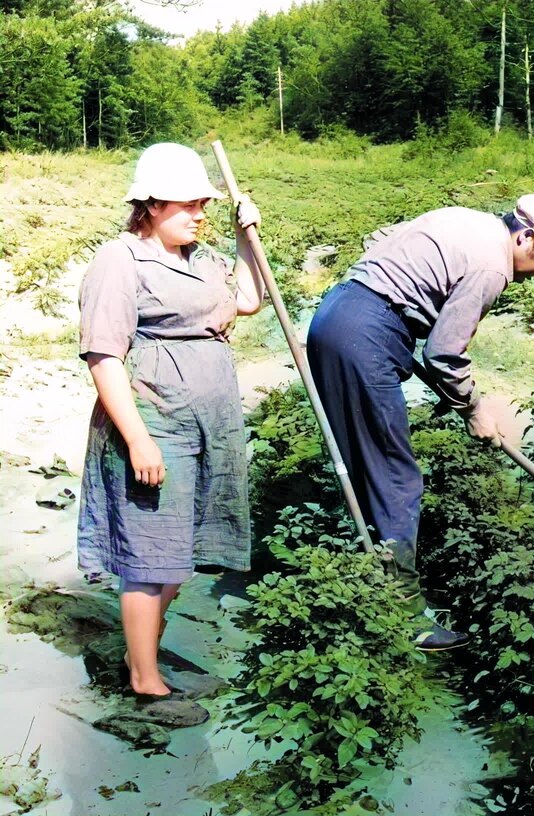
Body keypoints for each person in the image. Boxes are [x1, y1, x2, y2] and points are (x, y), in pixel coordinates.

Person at [306, 195, 534, 651]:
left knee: (368, 465)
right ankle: (405, 616)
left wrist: (398, 305)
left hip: (340, 313)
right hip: (364, 334)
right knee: (394, 476)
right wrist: (474, 410)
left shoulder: (465, 219)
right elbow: (443, 354)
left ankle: (367, 580)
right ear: (527, 236)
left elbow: (378, 239)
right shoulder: (493, 267)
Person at [77, 142, 266, 706]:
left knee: (179, 554)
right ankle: (144, 681)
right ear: (152, 204)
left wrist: (244, 240)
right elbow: (104, 356)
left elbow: (249, 301)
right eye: (189, 204)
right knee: (149, 553)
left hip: (210, 423)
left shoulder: (201, 257)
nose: (200, 213)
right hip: (155, 418)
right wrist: (138, 439)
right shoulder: (120, 260)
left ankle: (143, 654)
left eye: (205, 203)